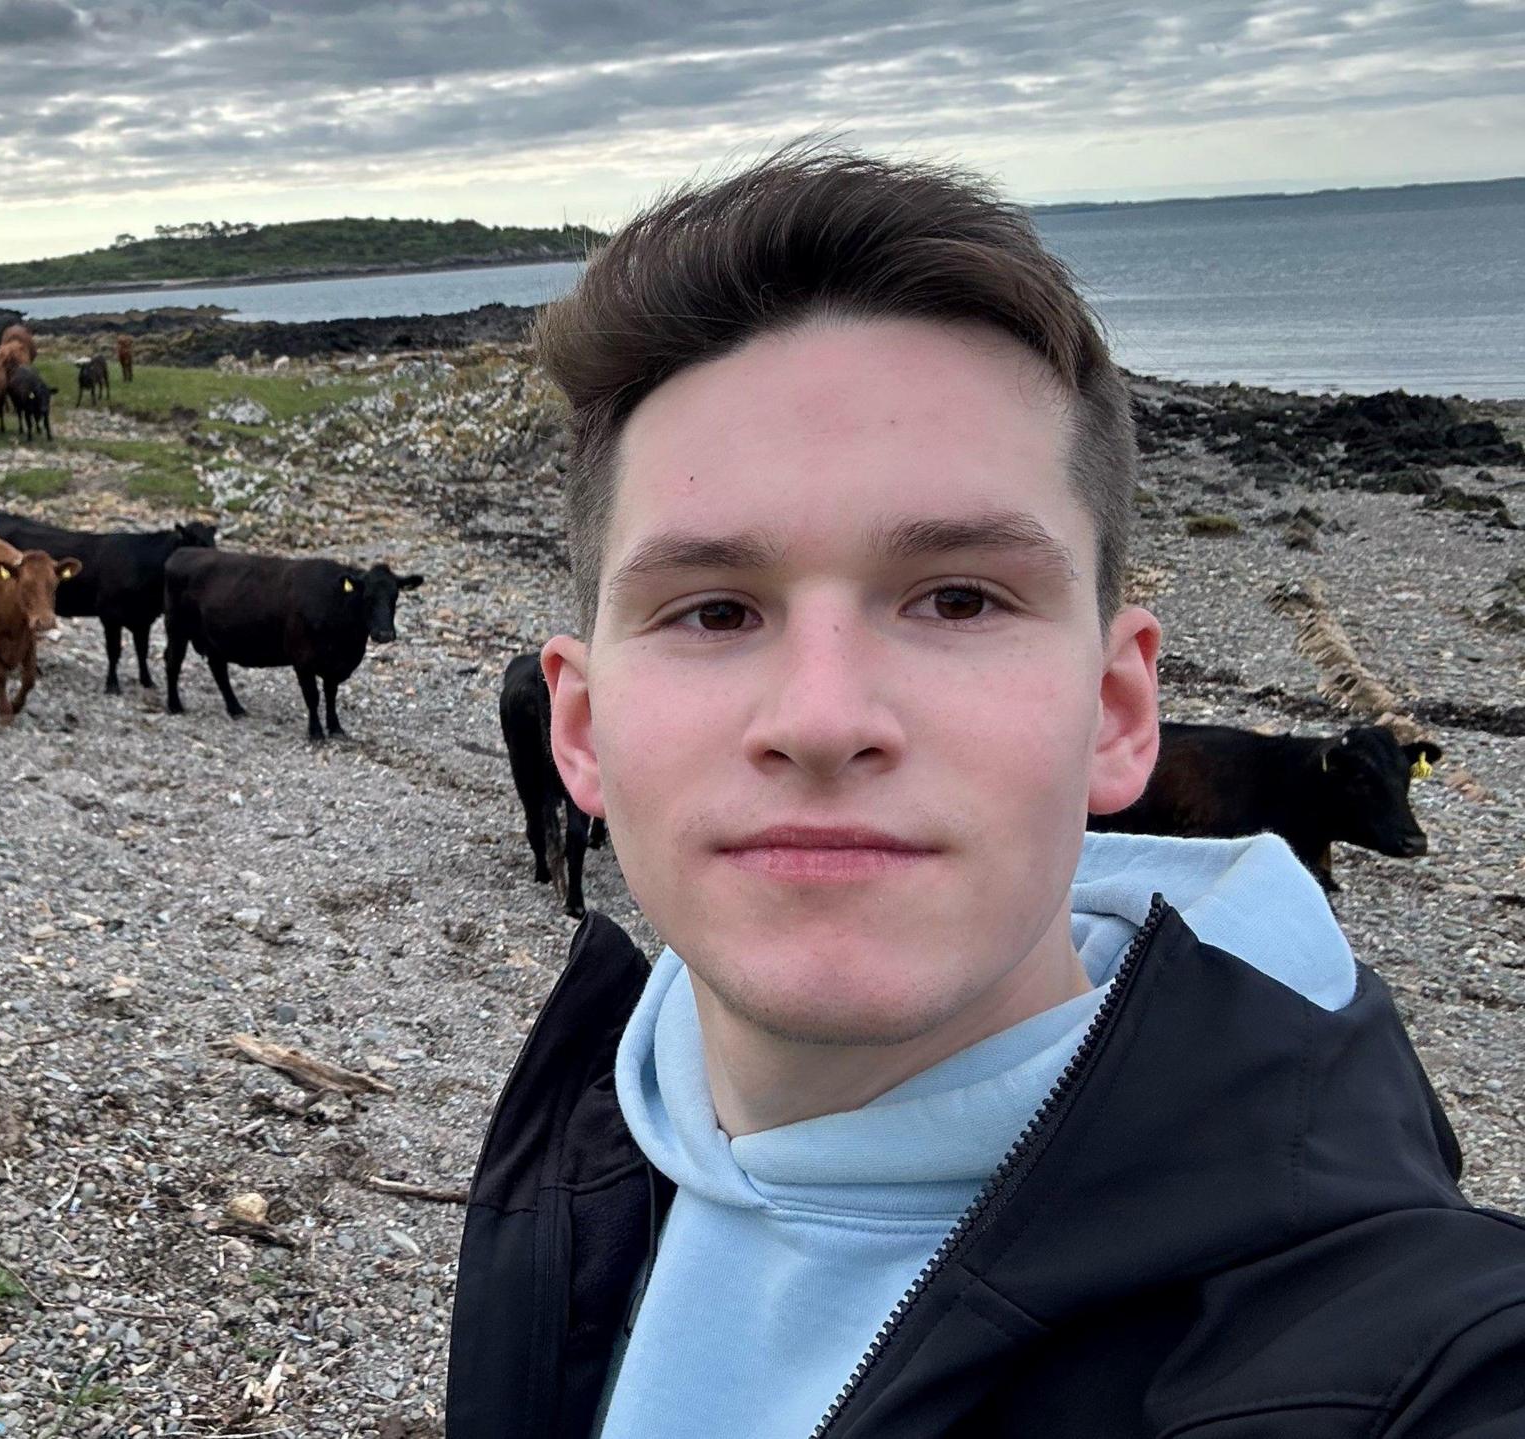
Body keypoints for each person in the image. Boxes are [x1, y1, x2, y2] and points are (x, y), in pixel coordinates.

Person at [445, 145, 1525, 1438]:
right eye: (715, 608)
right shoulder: (574, 1150)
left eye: (958, 597)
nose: (825, 718)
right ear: (583, 729)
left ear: (1120, 711)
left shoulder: (1411, 1363)